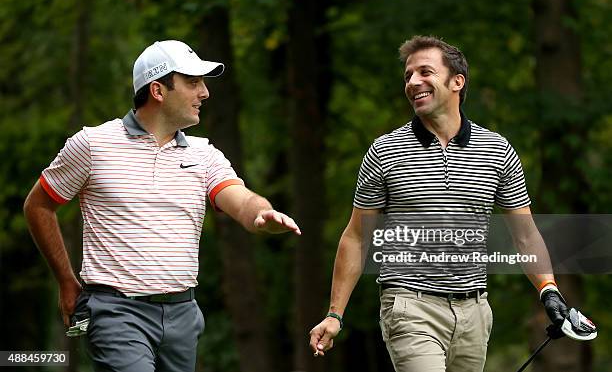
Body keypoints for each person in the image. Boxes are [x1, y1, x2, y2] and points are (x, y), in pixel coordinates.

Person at [24, 40, 301, 372]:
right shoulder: (92, 145)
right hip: (116, 313)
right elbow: (38, 206)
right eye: (193, 82)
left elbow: (240, 199)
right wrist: (66, 279)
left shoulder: (204, 154)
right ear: (158, 90)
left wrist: (261, 214)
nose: (205, 93)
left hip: (183, 316)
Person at [308, 35, 568, 372]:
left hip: (475, 312)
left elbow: (525, 234)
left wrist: (549, 290)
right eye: (408, 76)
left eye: (425, 72)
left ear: (457, 82)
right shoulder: (384, 152)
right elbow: (357, 237)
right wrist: (334, 314)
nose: (413, 82)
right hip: (410, 307)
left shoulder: (497, 150)